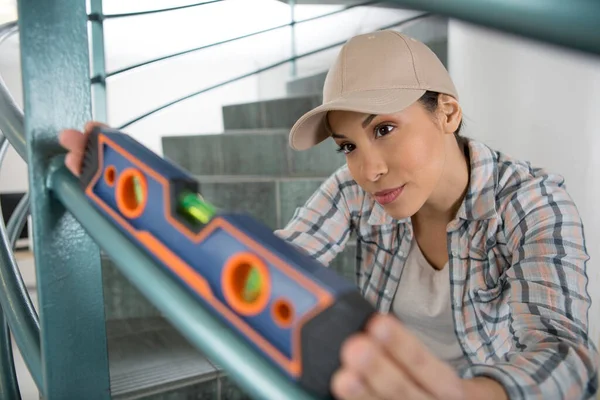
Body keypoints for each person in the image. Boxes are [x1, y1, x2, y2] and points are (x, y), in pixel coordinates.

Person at [59, 30, 598, 400]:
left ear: (448, 113)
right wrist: (130, 198)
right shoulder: (356, 190)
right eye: (348, 146)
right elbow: (275, 260)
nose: (370, 169)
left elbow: (567, 353)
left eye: (383, 129)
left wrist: (459, 395)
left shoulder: (531, 204)